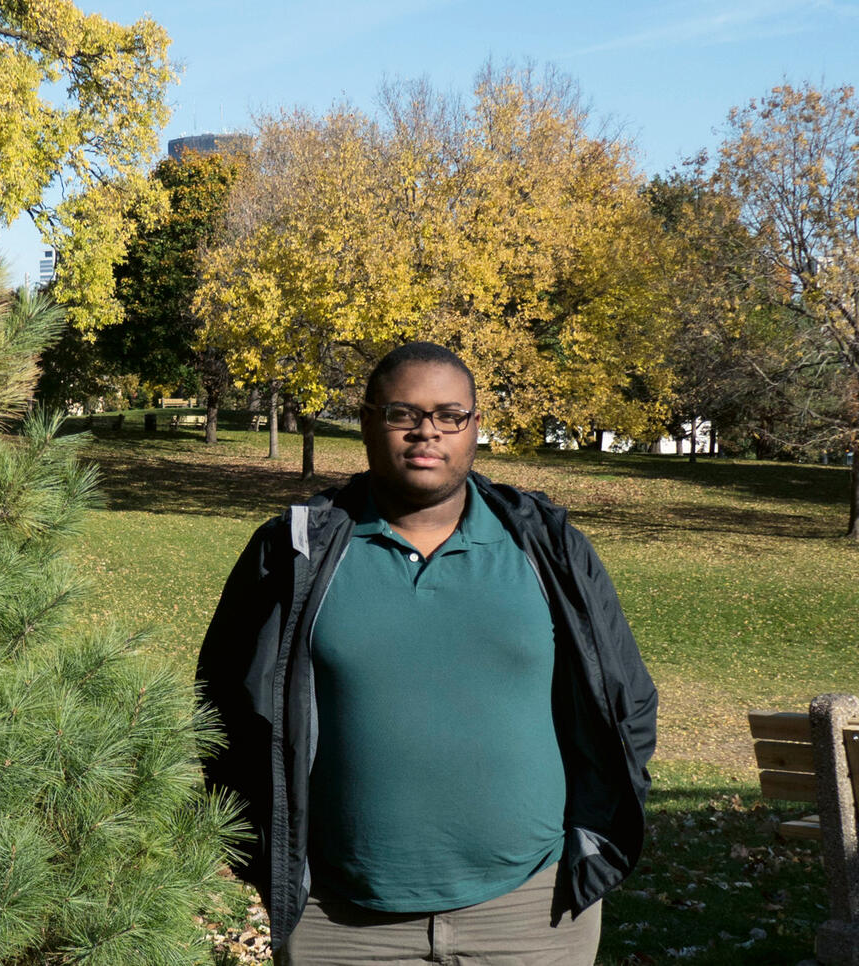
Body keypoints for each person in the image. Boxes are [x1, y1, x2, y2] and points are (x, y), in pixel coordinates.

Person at [196, 342, 657, 965]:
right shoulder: (294, 554)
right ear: (366, 421)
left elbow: (623, 698)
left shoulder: (547, 549)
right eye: (402, 413)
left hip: (531, 912)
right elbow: (223, 706)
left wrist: (593, 835)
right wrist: (264, 849)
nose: (426, 432)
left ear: (474, 426)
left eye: (450, 415)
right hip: (340, 920)